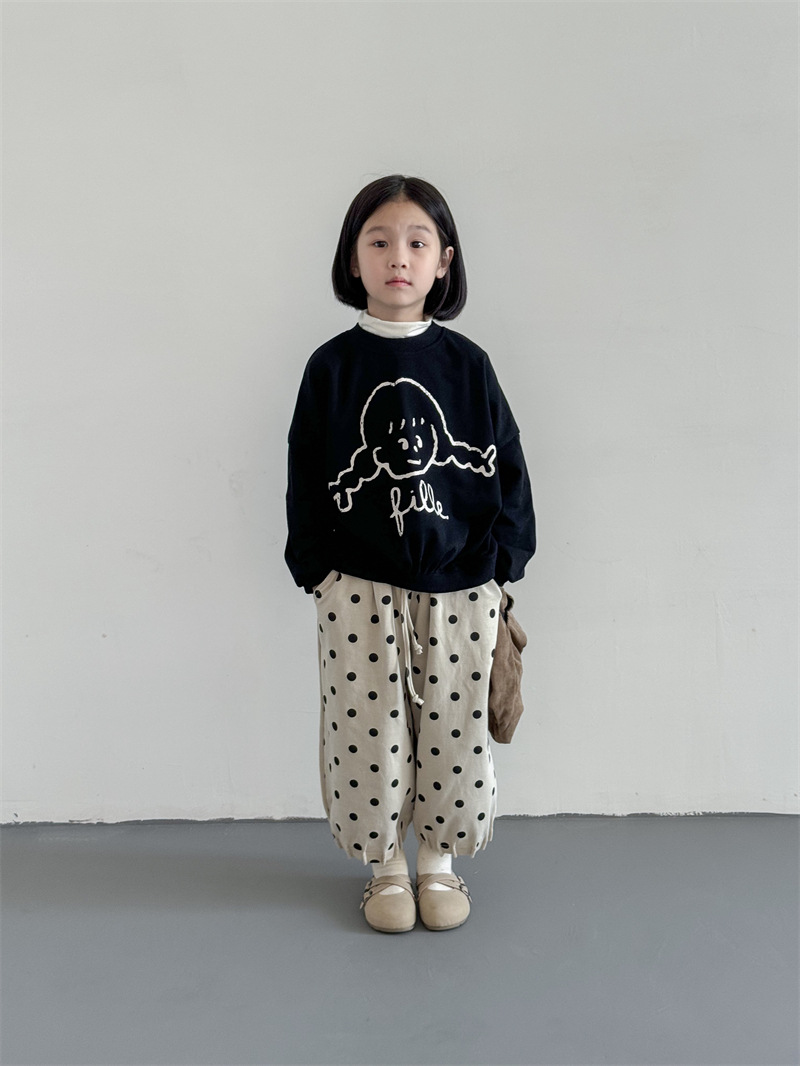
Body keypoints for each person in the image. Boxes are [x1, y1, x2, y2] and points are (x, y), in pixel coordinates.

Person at [285, 175, 535, 933]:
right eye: (380, 241)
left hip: (461, 586)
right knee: (368, 728)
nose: (399, 256)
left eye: (418, 242)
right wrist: (319, 572)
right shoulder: (331, 368)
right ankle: (385, 866)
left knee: (455, 726)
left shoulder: (468, 366)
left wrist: (503, 563)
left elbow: (508, 465)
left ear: (444, 261)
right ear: (352, 259)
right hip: (357, 589)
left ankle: (439, 862)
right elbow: (305, 472)